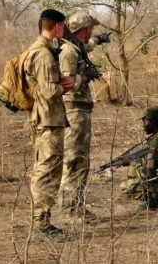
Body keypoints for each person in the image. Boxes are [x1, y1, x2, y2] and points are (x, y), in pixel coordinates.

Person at [24, 9, 75, 238]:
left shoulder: (42, 50)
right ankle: (41, 224)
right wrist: (67, 85)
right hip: (48, 120)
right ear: (56, 27)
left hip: (46, 118)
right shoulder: (43, 54)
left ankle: (42, 220)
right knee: (48, 170)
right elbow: (48, 91)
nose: (63, 31)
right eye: (62, 27)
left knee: (47, 168)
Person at [59, 12, 108, 224]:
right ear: (85, 29)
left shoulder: (76, 46)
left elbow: (85, 47)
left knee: (80, 160)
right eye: (92, 30)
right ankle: (72, 211)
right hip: (73, 110)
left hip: (79, 109)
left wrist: (98, 41)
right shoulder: (69, 51)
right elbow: (66, 83)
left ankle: (75, 207)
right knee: (75, 159)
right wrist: (86, 76)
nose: (92, 33)